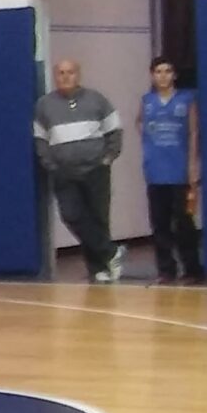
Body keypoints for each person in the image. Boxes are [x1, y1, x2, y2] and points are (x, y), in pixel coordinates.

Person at [34, 59, 124, 283]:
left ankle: (100, 269)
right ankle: (111, 252)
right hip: (63, 172)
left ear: (78, 75)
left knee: (98, 217)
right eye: (61, 73)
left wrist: (108, 158)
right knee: (72, 215)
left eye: (70, 72)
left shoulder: (96, 99)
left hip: (96, 170)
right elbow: (40, 138)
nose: (66, 77)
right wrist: (49, 164)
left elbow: (114, 129)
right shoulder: (44, 105)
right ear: (55, 76)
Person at [138, 57, 203, 285]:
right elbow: (140, 124)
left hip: (180, 171)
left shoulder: (186, 99)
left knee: (184, 223)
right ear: (152, 75)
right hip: (156, 172)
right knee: (160, 224)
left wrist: (192, 165)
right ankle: (166, 270)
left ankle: (192, 269)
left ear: (174, 75)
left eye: (167, 71)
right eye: (158, 71)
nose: (163, 76)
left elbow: (193, 132)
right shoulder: (147, 101)